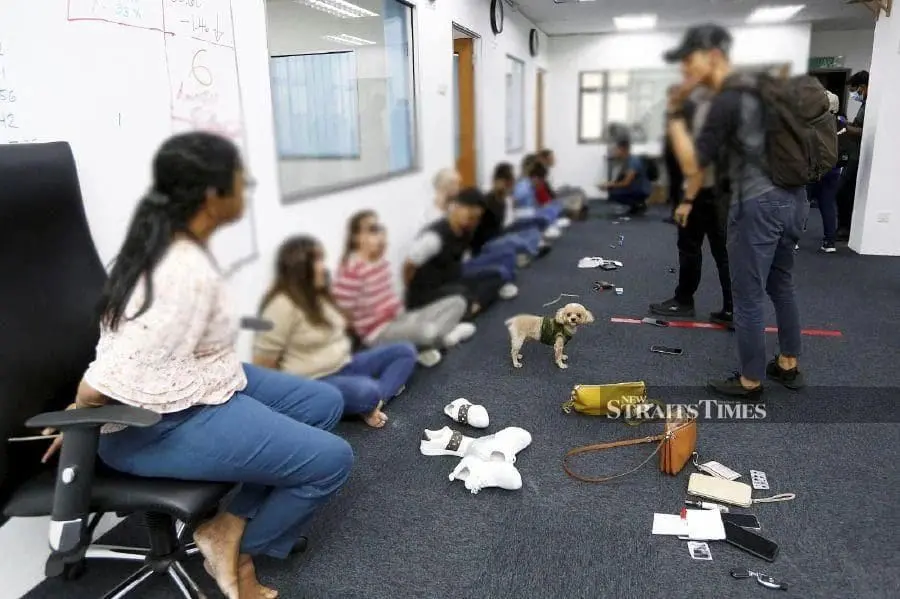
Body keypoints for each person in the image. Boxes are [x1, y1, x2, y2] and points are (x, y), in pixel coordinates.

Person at [40, 132, 353, 599]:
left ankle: (228, 524)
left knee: (324, 402)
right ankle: (240, 553)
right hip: (153, 426)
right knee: (331, 462)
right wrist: (82, 419)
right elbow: (106, 378)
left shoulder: (179, 245)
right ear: (211, 195)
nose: (246, 187)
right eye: (239, 180)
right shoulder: (177, 270)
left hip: (203, 384)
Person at [664, 24, 808, 399]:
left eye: (689, 63)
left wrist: (675, 115)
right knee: (781, 283)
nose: (685, 73)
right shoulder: (763, 89)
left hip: (758, 204)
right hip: (794, 199)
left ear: (713, 56)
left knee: (747, 296)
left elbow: (695, 164)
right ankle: (789, 364)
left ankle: (750, 379)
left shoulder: (727, 99)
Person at [255, 236, 418, 429]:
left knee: (405, 351)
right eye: (316, 261)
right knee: (367, 390)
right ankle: (370, 400)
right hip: (316, 382)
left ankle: (374, 404)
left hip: (346, 363)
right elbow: (263, 368)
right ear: (299, 268)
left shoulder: (318, 294)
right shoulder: (280, 306)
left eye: (321, 259)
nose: (323, 266)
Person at [332, 210, 476, 368]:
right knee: (427, 331)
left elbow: (392, 302)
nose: (379, 234)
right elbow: (342, 313)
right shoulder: (350, 271)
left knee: (457, 302)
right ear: (356, 237)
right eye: (372, 229)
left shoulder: (380, 263)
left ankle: (436, 341)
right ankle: (446, 337)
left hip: (401, 318)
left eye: (379, 228)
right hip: (379, 332)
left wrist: (406, 317)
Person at [650, 85, 733, 327]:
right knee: (720, 252)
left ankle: (684, 301)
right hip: (716, 194)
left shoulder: (695, 120)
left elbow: (697, 163)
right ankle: (731, 308)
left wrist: (686, 200)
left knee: (692, 248)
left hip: (701, 195)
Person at [404, 187, 505, 317]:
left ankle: (469, 309)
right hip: (429, 292)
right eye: (470, 216)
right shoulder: (434, 238)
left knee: (496, 275)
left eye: (476, 218)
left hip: (453, 282)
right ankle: (467, 308)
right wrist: (415, 291)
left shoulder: (466, 231)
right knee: (462, 293)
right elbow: (409, 265)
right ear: (456, 206)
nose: (472, 221)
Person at [432, 168, 519, 299]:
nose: (459, 188)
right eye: (455, 184)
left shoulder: (455, 210)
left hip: (466, 259)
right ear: (444, 187)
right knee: (498, 271)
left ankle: (495, 284)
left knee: (506, 256)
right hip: (452, 270)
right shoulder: (434, 216)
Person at [470, 162, 548, 267]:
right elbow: (477, 235)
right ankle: (532, 251)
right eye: (509, 183)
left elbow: (504, 225)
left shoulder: (503, 200)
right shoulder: (488, 200)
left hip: (499, 236)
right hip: (486, 244)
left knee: (530, 232)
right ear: (499, 181)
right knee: (512, 240)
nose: (511, 187)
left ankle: (527, 251)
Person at [806, 90, 843, 252]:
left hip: (814, 169)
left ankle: (793, 240)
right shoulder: (841, 122)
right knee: (827, 204)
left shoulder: (815, 122)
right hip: (834, 169)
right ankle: (830, 242)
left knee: (803, 203)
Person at [835, 70, 868, 241]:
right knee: (844, 192)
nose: (856, 94)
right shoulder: (865, 104)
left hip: (859, 155)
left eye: (856, 91)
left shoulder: (872, 104)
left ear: (863, 87)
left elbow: (865, 131)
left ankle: (845, 228)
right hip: (853, 153)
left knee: (843, 191)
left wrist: (846, 127)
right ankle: (844, 227)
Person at [599, 139, 651, 216]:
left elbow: (626, 182)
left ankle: (638, 204)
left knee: (613, 193)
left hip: (641, 189)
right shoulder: (626, 160)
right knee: (613, 189)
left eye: (616, 149)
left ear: (622, 149)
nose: (615, 151)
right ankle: (635, 205)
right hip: (635, 187)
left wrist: (609, 185)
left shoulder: (633, 161)